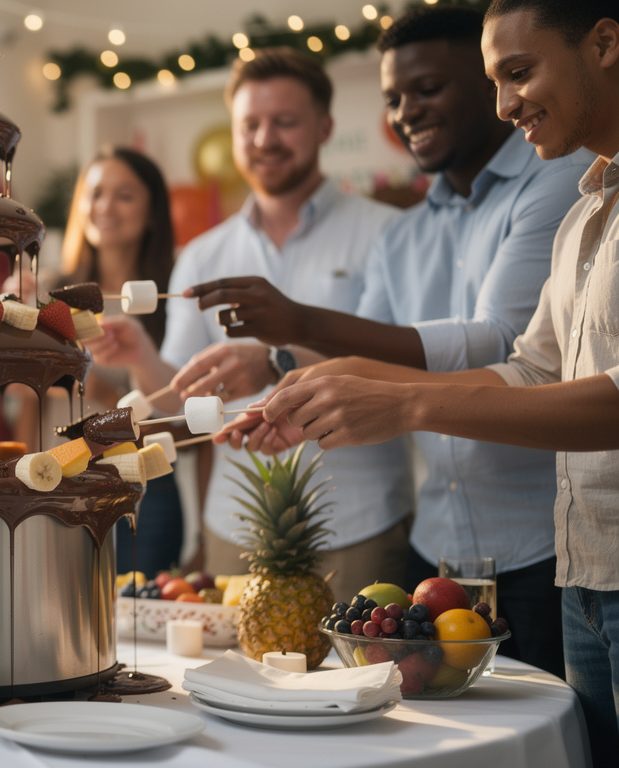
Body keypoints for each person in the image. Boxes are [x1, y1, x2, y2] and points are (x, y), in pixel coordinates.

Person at [238, 1, 619, 753]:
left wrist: (403, 401)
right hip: (586, 572)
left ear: (606, 43)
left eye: (519, 72)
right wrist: (334, 380)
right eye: (496, 79)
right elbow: (530, 366)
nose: (506, 103)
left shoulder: (551, 188)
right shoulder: (586, 209)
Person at [86, 48, 413, 602]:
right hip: (234, 528)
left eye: (284, 122)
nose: (265, 139)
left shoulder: (390, 233)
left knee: (364, 683)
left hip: (359, 522)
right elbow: (180, 411)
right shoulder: (203, 256)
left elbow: (407, 363)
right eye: (250, 125)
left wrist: (276, 360)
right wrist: (141, 354)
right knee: (230, 686)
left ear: (325, 126)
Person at [51, 148, 185, 575]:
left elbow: (184, 410)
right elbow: (25, 397)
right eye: (96, 194)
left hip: (148, 484)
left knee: (134, 625)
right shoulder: (53, 294)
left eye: (124, 195)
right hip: (61, 475)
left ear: (152, 213)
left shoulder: (172, 296)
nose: (105, 207)